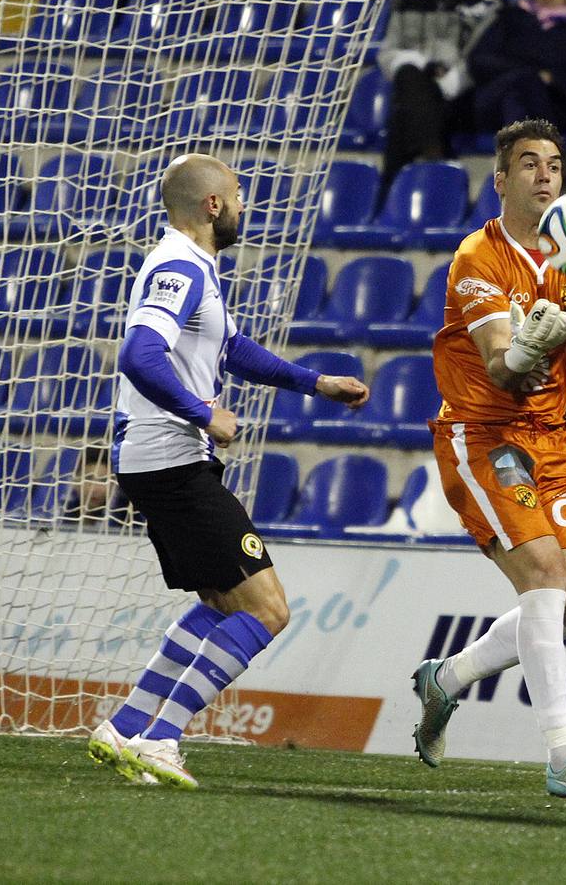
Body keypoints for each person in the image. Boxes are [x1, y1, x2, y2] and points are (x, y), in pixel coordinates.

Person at [88, 154, 370, 789]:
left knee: (221, 601)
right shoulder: (179, 266)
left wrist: (315, 383)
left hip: (163, 462)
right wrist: (201, 410)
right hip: (173, 459)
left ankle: (128, 725)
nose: (244, 206)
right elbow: (139, 353)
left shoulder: (196, 269)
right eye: (238, 195)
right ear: (213, 204)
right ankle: (162, 739)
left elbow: (231, 349)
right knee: (269, 610)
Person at [410, 117, 566, 799]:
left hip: (551, 438)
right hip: (483, 436)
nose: (545, 175)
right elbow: (500, 368)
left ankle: (444, 679)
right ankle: (565, 756)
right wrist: (526, 349)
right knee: (542, 575)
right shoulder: (477, 257)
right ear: (501, 179)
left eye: (553, 164)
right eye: (529, 164)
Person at [377, 0, 502, 184]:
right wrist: (420, 65)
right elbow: (387, 52)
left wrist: (449, 80)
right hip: (415, 83)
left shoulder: (488, 1)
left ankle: (390, 187)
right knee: (409, 78)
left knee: (404, 116)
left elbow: (483, 55)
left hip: (462, 95)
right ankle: (434, 154)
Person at [467, 0, 566, 136]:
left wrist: (551, 79)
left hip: (552, 107)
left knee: (523, 94)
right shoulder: (510, 19)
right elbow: (478, 61)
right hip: (498, 99)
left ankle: (520, 150)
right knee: (521, 86)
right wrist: (528, 73)